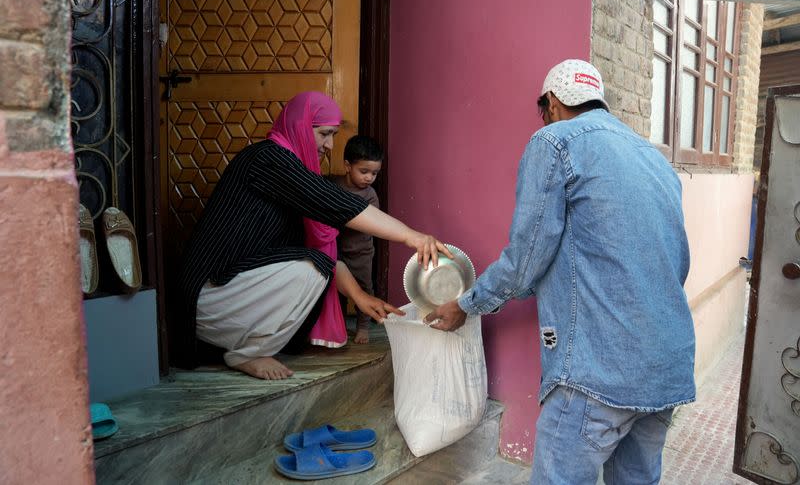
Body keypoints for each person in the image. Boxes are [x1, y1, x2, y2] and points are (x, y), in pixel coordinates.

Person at [425, 60, 695, 484]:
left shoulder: (554, 141)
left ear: (551, 103)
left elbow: (525, 259)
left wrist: (466, 304)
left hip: (597, 370)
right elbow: (677, 264)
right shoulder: (654, 159)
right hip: (666, 367)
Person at [176, 91, 451, 381]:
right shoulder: (268, 159)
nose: (330, 145)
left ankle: (246, 344)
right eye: (324, 134)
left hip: (231, 291)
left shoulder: (287, 165)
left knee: (316, 261)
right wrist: (412, 237)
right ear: (299, 126)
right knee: (313, 265)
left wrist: (360, 296)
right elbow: (336, 204)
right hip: (208, 295)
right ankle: (247, 353)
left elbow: (326, 254)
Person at [330, 135, 384, 344]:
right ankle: (339, 323)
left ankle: (363, 326)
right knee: (337, 290)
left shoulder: (370, 196)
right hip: (336, 250)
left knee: (363, 289)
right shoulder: (332, 185)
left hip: (361, 252)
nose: (369, 177)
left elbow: (370, 222)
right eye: (364, 171)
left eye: (374, 173)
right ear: (347, 165)